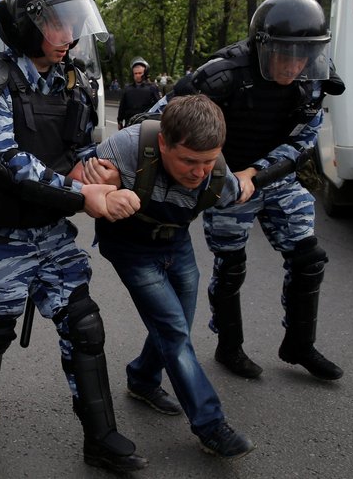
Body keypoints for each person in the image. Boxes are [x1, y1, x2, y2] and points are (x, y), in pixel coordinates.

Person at [0, 0, 147, 473]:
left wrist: (95, 166)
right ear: (26, 25)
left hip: (50, 232)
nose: (69, 37)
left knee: (84, 323)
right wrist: (85, 196)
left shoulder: (71, 82)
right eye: (57, 25)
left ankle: (101, 438)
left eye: (73, 24)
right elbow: (7, 162)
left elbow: (76, 147)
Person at [180, 0, 346, 381]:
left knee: (309, 259)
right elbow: (167, 120)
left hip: (274, 176)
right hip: (226, 180)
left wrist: (255, 174)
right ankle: (229, 346)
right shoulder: (221, 75)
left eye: (303, 55)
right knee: (231, 264)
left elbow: (305, 141)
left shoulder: (315, 73)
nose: (294, 65)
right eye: (284, 55)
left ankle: (299, 345)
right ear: (261, 46)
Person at [84, 94, 256, 460]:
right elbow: (77, 180)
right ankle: (211, 426)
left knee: (178, 325)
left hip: (177, 242)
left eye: (208, 162)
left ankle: (143, 378)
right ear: (163, 143)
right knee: (174, 332)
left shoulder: (217, 174)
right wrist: (107, 185)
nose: (199, 173)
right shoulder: (124, 148)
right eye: (189, 161)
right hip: (130, 248)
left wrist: (248, 179)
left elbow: (239, 189)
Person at [117, 57, 162, 129]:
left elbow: (159, 105)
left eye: (140, 73)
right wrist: (119, 121)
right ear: (133, 74)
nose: (138, 75)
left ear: (145, 73)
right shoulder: (127, 89)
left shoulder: (152, 88)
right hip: (130, 124)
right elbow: (122, 106)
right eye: (136, 73)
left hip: (146, 124)